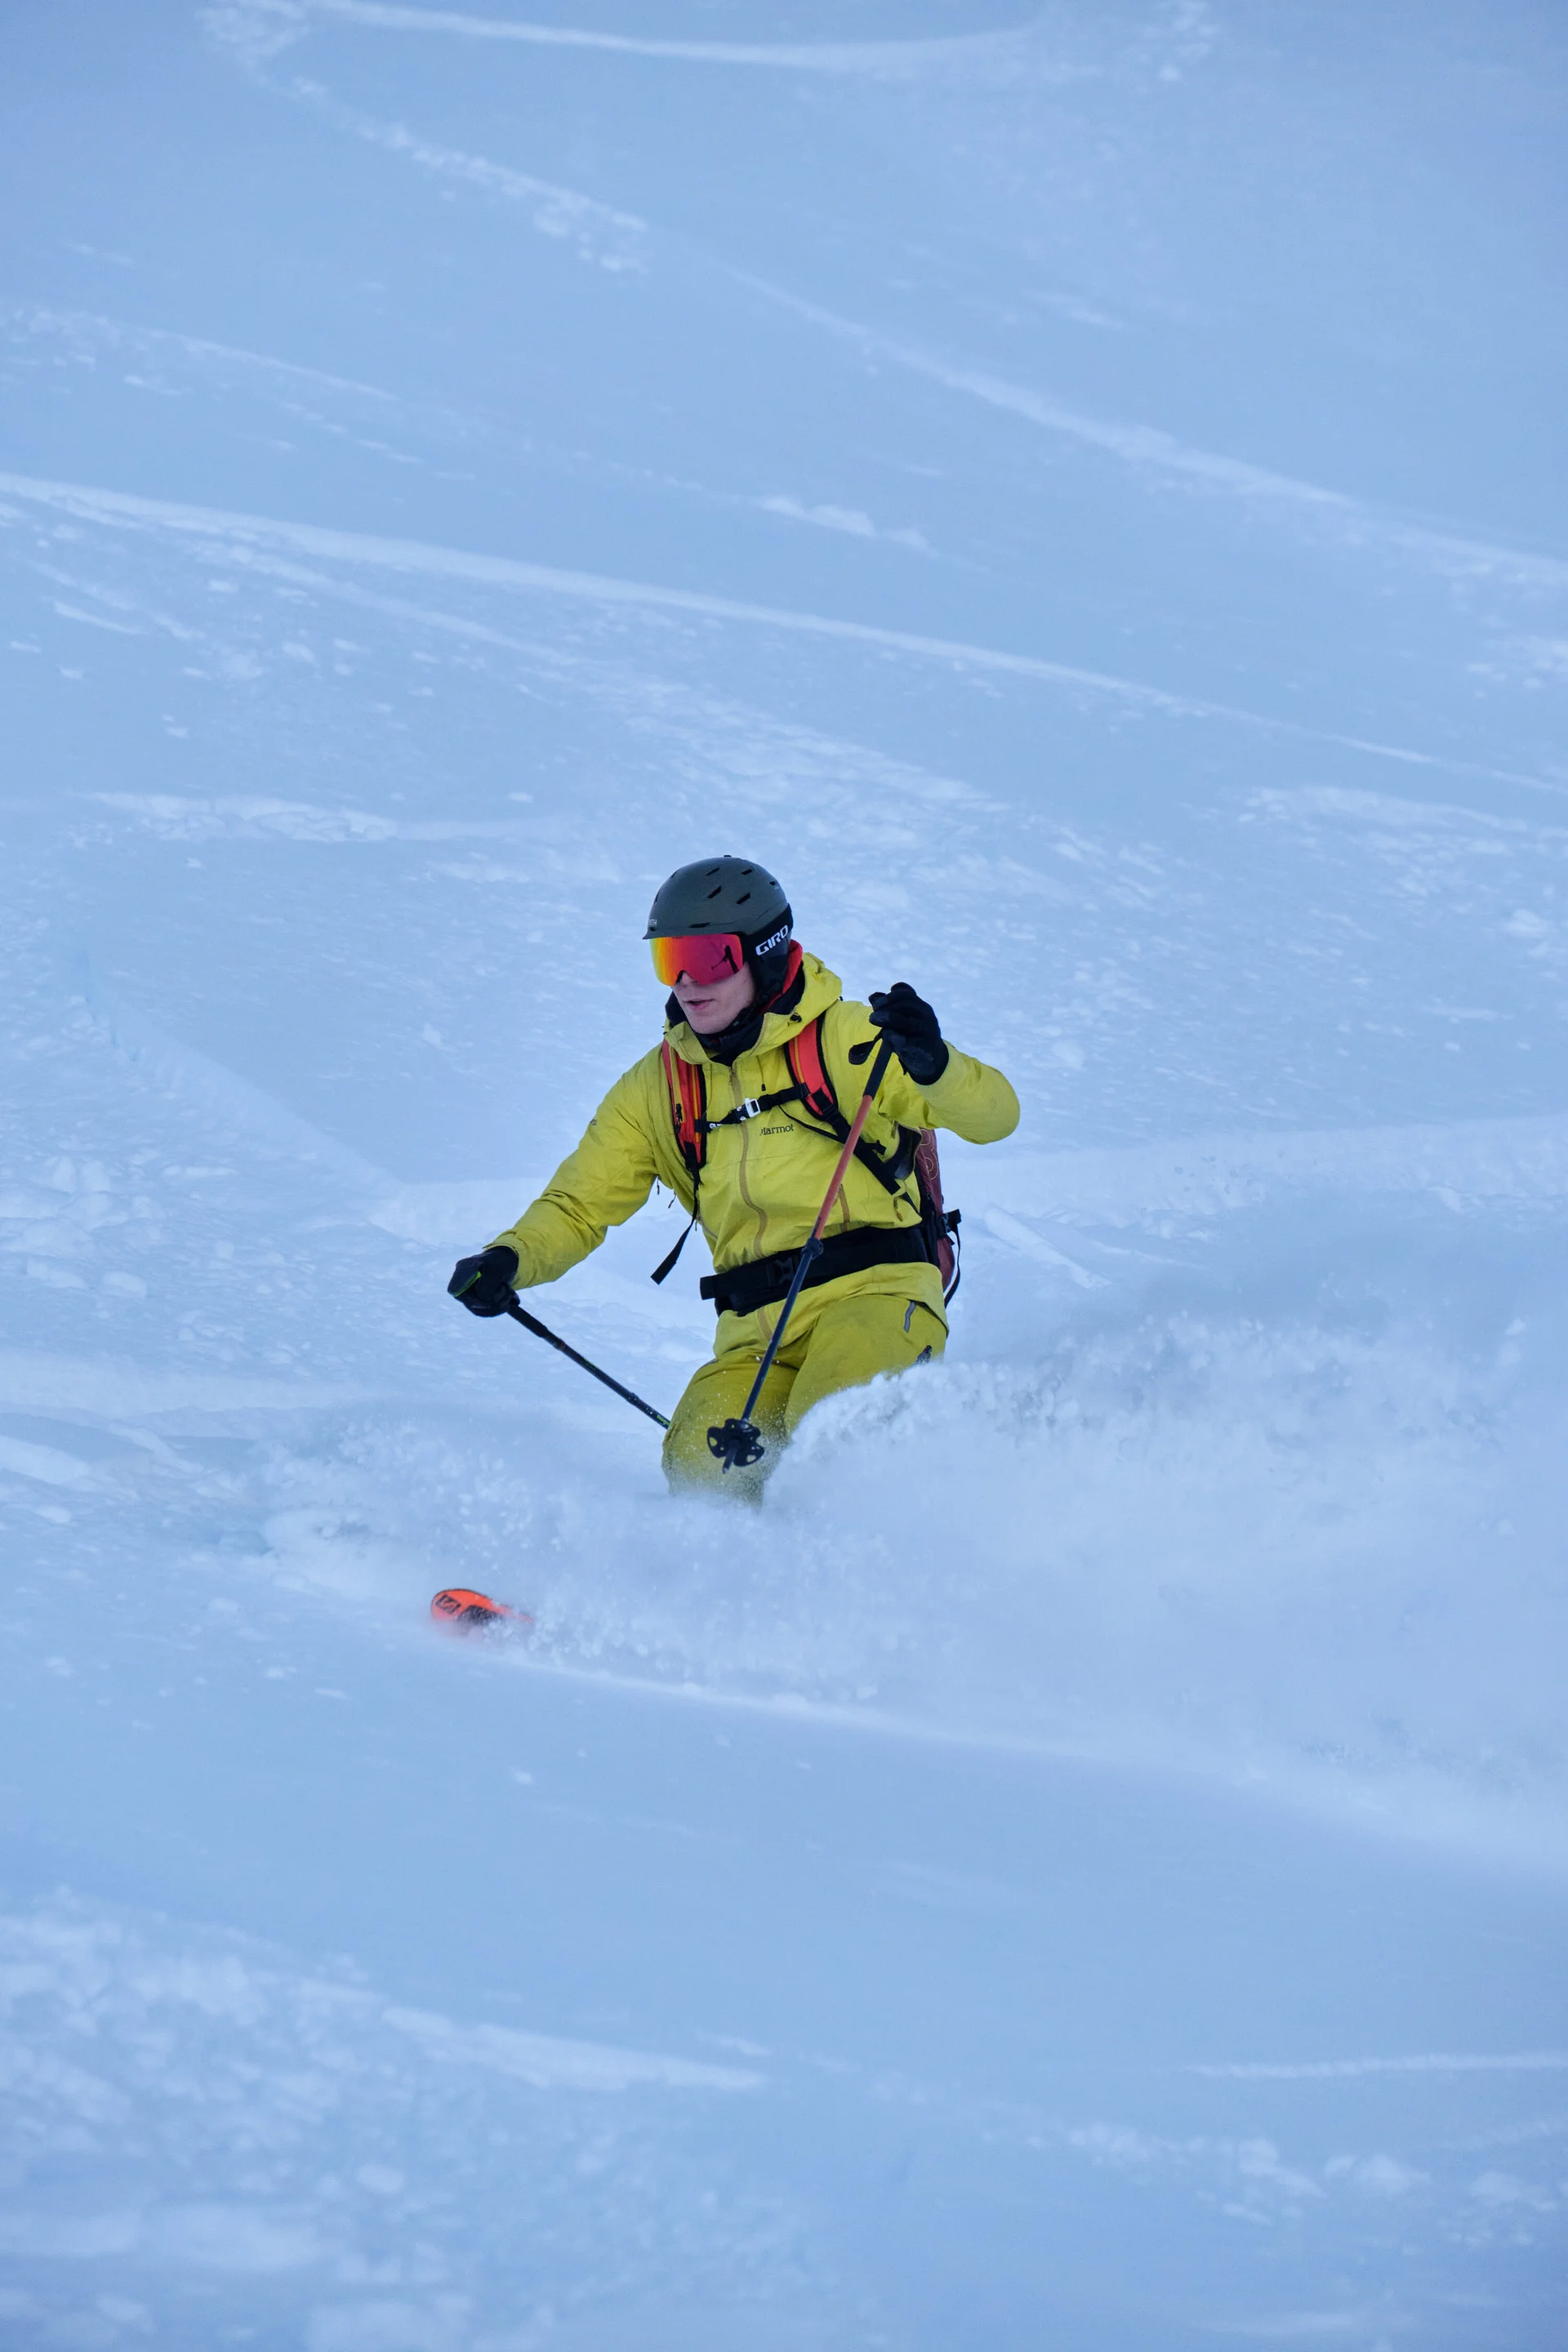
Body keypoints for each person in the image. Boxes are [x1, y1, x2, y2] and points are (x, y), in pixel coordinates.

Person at [448, 857, 1019, 1492]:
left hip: (876, 1299)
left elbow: (997, 1115)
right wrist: (511, 1258)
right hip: (754, 1334)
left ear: (765, 954)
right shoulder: (660, 1086)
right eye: (670, 961)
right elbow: (581, 1202)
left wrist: (934, 1063)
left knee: (833, 1440)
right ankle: (710, 1589)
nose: (687, 982)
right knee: (699, 1465)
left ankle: (876, 1579)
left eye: (710, 958)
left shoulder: (849, 1037)